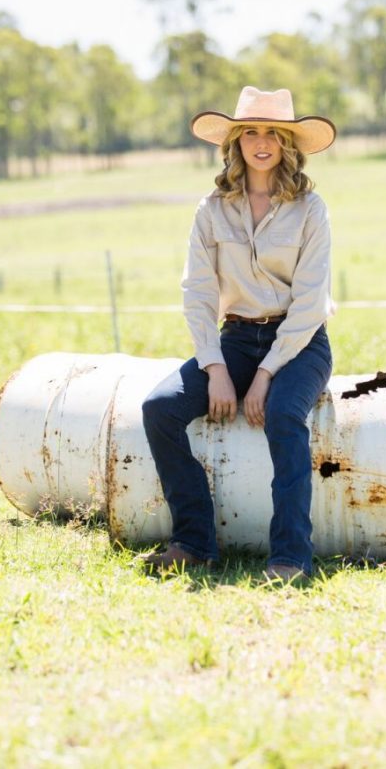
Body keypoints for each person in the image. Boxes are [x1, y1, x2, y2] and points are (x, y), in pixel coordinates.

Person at [142, 86, 336, 581]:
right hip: (234, 340)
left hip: (299, 343)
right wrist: (215, 368)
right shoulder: (210, 210)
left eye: (273, 132)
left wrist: (268, 373)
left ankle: (291, 556)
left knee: (283, 415)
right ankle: (194, 541)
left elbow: (311, 303)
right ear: (236, 141)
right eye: (251, 131)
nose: (262, 141)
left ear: (288, 142)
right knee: (160, 408)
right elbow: (198, 292)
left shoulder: (311, 209)